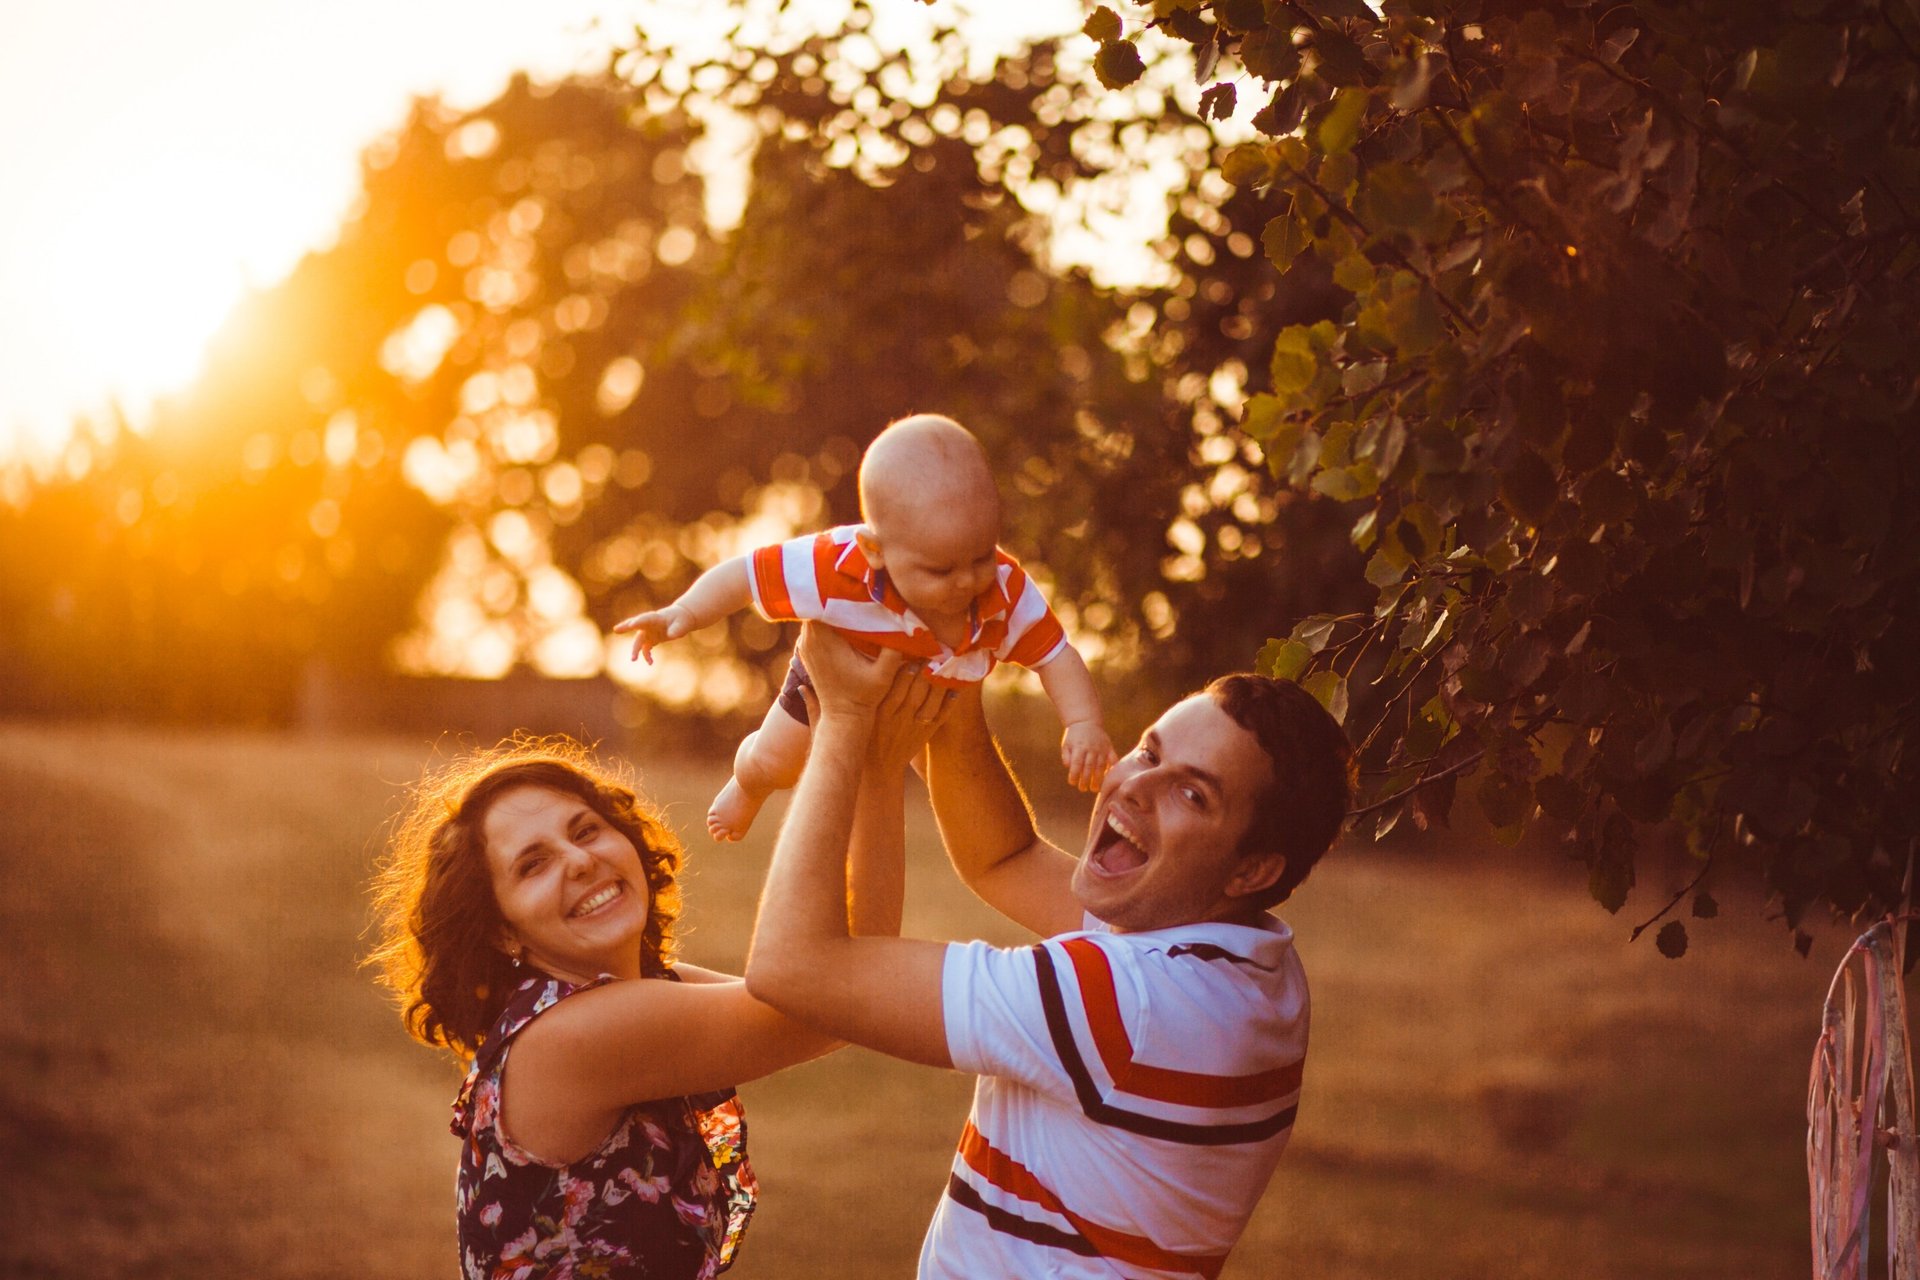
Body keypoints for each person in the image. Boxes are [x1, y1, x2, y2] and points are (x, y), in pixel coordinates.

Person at [745, 624, 1354, 1278]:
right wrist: (954, 677)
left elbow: (792, 967)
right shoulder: (1246, 964)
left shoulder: (1127, 1003)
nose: (1135, 787)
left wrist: (843, 721)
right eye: (1148, 753)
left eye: (1193, 794)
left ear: (1253, 870)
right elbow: (1003, 858)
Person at [366, 709, 940, 1280]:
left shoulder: (638, 991)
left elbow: (842, 999)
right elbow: (835, 1001)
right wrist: (847, 726)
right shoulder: (572, 1035)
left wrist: (876, 761)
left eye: (586, 830)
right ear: (500, 930)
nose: (580, 860)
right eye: (533, 865)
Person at [612, 412, 1116, 841]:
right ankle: (748, 784)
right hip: (828, 684)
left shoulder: (1003, 588)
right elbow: (746, 575)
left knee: (940, 796)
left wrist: (1082, 723)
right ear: (875, 550)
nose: (966, 581)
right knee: (776, 763)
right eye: (940, 570)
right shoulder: (836, 565)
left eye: (981, 556)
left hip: (928, 701)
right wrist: (684, 613)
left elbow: (1055, 655)